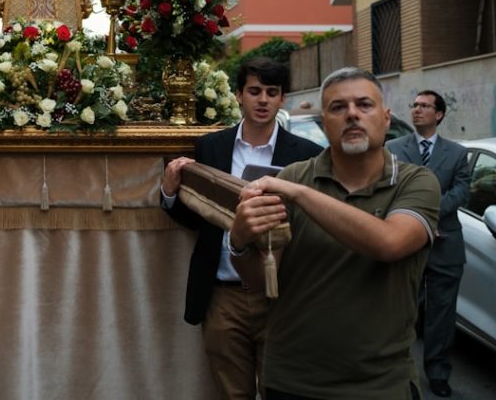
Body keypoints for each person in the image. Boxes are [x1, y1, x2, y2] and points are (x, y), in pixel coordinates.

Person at [231, 67, 441, 399]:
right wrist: (239, 242)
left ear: (386, 118)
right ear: (324, 123)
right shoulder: (294, 175)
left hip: (380, 384)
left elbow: (389, 242)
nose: (353, 114)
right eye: (338, 107)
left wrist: (299, 194)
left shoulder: (416, 182)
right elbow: (262, 281)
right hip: (292, 381)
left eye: (364, 105)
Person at [160, 57, 323, 399]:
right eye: (254, 91)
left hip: (280, 295)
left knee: (281, 390)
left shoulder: (307, 155)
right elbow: (199, 218)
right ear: (238, 95)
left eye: (271, 92)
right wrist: (169, 192)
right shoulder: (210, 146)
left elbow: (312, 221)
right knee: (231, 393)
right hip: (222, 295)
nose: (262, 99)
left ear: (283, 99)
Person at [387, 90, 470, 398]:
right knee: (400, 311)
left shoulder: (458, 153)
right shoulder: (393, 148)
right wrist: (417, 222)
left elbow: (462, 191)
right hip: (404, 241)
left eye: (424, 106)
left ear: (439, 115)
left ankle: (437, 371)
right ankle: (399, 371)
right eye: (415, 105)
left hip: (445, 245)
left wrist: (431, 218)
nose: (417, 110)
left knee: (441, 315)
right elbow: (388, 188)